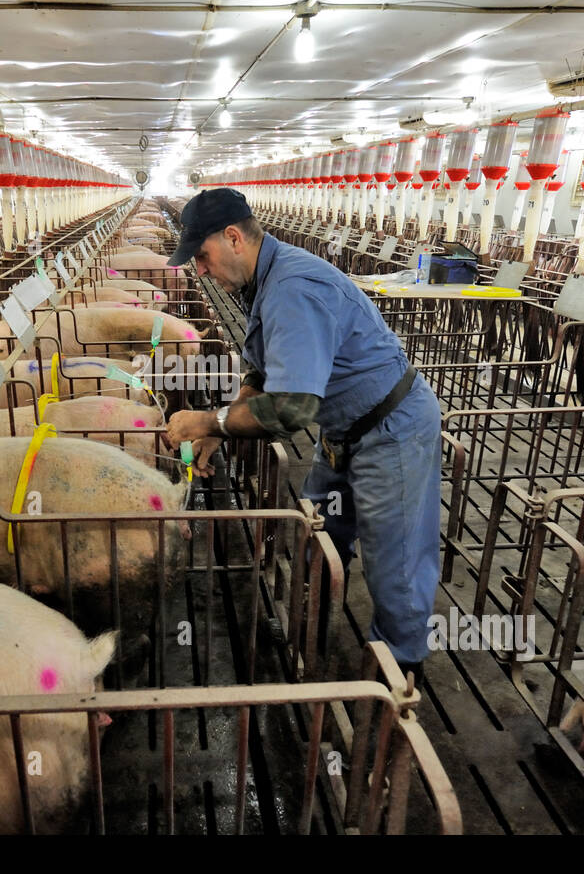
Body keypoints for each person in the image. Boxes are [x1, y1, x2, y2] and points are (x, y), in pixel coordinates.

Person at [163, 188, 442, 681]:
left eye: (201, 257)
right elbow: (260, 370)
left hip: (390, 431)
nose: (199, 270)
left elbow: (293, 408)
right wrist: (226, 428)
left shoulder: (292, 286)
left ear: (233, 238)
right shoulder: (262, 279)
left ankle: (398, 681)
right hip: (343, 429)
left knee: (395, 567)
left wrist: (209, 422)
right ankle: (312, 634)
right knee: (318, 529)